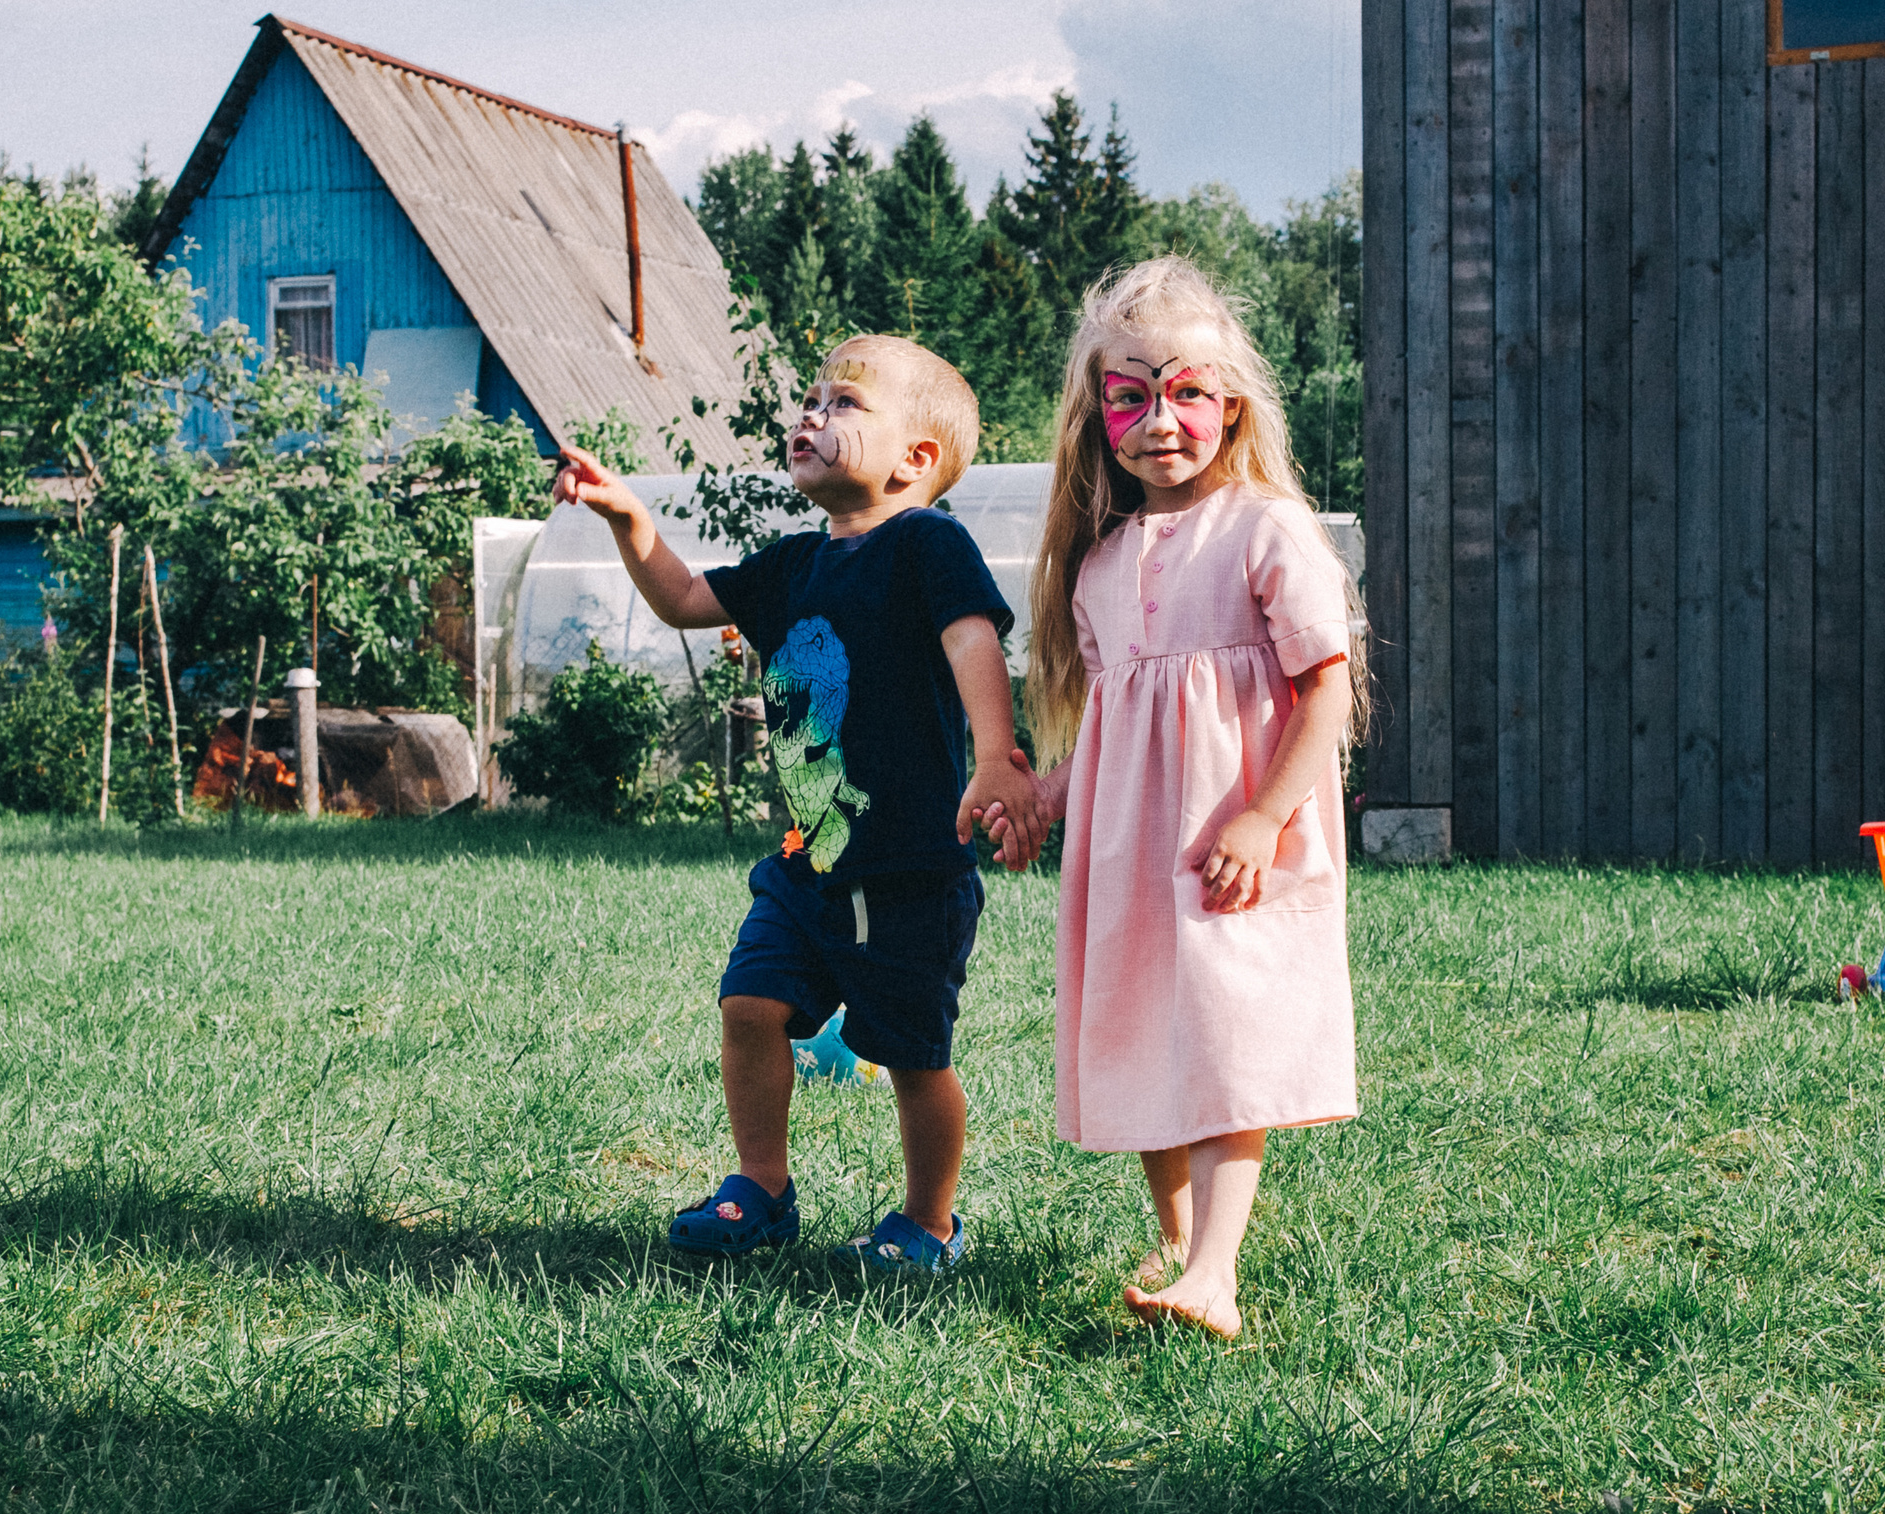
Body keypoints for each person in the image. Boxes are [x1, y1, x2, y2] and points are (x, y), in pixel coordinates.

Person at [556, 333, 1045, 1272]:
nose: (811, 412)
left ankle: (928, 1224)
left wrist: (994, 756)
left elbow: (972, 640)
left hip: (910, 869)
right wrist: (627, 516)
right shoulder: (789, 566)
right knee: (749, 1003)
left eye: (844, 403)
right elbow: (683, 597)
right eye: (811, 397)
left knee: (914, 1058)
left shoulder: (927, 545)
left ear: (915, 458)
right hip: (810, 862)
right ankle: (762, 1186)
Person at [993, 256, 1363, 1339]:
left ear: (1231, 404)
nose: (1160, 420)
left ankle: (1216, 1271)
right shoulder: (1101, 567)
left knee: (1223, 1039)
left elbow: (1326, 691)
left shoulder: (1266, 528)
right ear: (1099, 414)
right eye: (1131, 396)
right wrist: (1045, 796)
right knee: (1149, 1025)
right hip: (1130, 858)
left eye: (1187, 392)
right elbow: (1112, 729)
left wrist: (1263, 815)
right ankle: (1175, 1244)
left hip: (1233, 842)